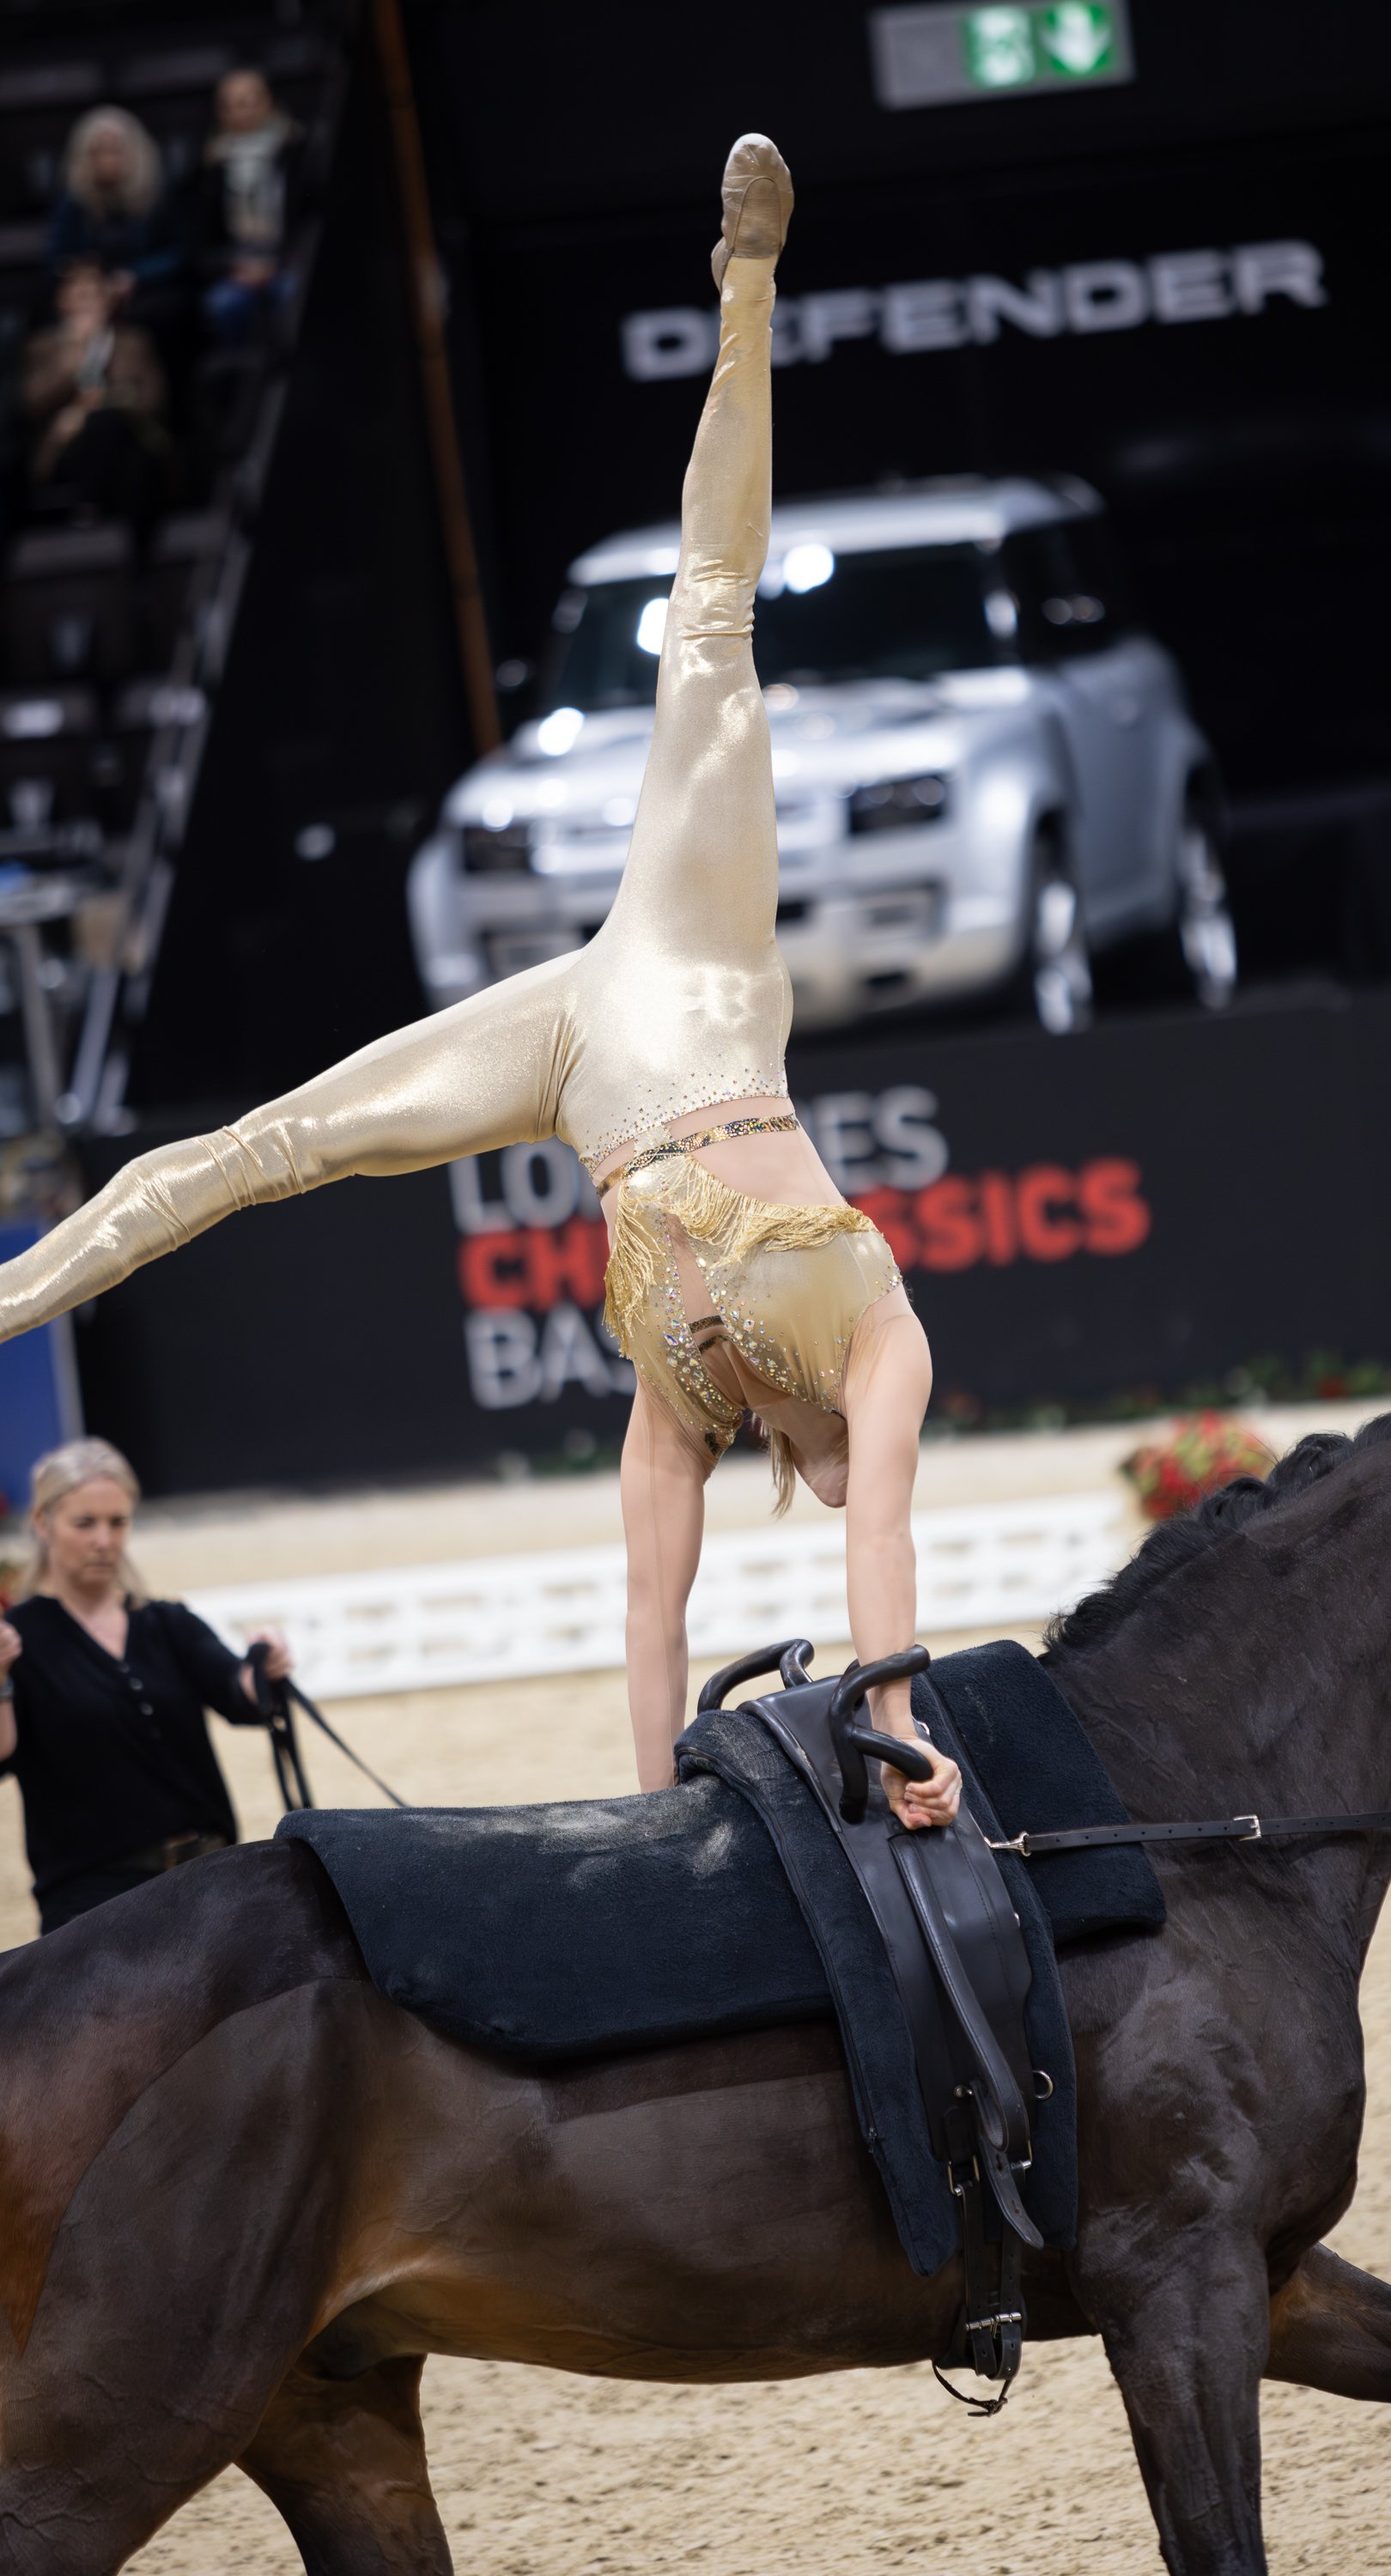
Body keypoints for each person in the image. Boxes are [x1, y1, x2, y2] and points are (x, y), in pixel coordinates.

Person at [0, 137, 960, 1831]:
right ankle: (748, 285)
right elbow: (879, 1539)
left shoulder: (686, 1406)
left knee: (271, 1150)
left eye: (808, 1480)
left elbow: (650, 1618)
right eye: (823, 1473)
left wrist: (660, 1811)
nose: (821, 1485)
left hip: (585, 1075)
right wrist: (894, 1731)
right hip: (700, 978)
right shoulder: (884, 1345)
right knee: (711, 629)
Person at [0, 1437, 291, 1935]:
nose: (104, 1540)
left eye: (117, 1522)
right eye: (85, 1523)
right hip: (93, 1903)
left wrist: (265, 1663)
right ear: (43, 1524)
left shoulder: (166, 1622)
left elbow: (238, 1693)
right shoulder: (18, 1639)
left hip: (209, 1878)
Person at [22, 261, 172, 534]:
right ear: (63, 304)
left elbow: (154, 400)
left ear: (109, 302)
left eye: (95, 296)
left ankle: (103, 513)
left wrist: (94, 408)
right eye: (81, 297)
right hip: (65, 446)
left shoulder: (134, 341)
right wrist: (72, 362)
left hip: (126, 432)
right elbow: (32, 402)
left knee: (112, 431)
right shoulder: (43, 345)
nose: (89, 305)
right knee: (130, 462)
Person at [45, 106, 187, 326]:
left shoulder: (158, 195)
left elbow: (178, 252)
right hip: (91, 289)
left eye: (114, 151)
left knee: (160, 310)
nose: (106, 160)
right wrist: (86, 279)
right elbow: (58, 256)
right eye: (97, 152)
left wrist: (135, 275)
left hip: (147, 287)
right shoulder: (73, 201)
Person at [197, 67, 301, 346]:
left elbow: (307, 218)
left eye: (247, 102)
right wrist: (234, 267)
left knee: (294, 294)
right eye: (230, 105)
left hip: (288, 262)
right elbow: (204, 239)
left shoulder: (294, 153)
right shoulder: (211, 166)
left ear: (267, 102)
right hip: (236, 268)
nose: (240, 112)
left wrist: (280, 263)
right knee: (223, 305)